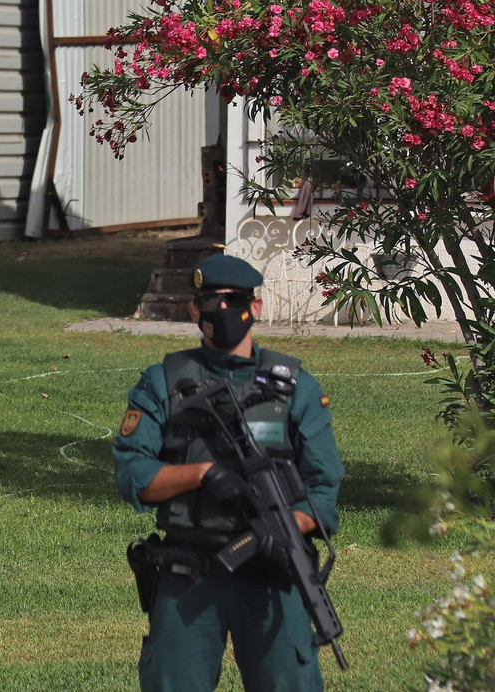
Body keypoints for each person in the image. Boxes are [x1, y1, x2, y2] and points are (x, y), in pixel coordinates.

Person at [112, 254, 343, 692]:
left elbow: (323, 489)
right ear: (193, 310)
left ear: (254, 307)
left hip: (273, 574)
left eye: (233, 300)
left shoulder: (296, 388)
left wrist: (289, 526)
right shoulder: (162, 383)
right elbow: (134, 475)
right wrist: (202, 473)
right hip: (188, 576)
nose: (222, 309)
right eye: (210, 301)